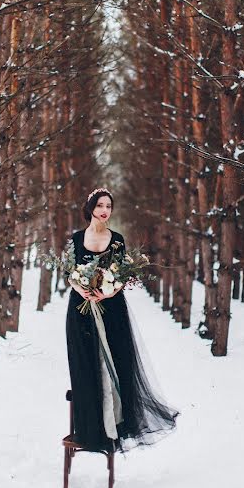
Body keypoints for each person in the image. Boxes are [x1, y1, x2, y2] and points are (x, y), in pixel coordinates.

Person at [65, 187, 179, 453]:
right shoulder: (76, 238)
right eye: (101, 205)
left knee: (116, 364)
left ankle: (113, 427)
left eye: (109, 206)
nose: (105, 210)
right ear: (91, 207)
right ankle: (89, 430)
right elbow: (70, 271)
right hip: (80, 311)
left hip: (111, 309)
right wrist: (82, 289)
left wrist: (107, 292)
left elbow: (122, 276)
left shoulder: (117, 240)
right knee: (85, 366)